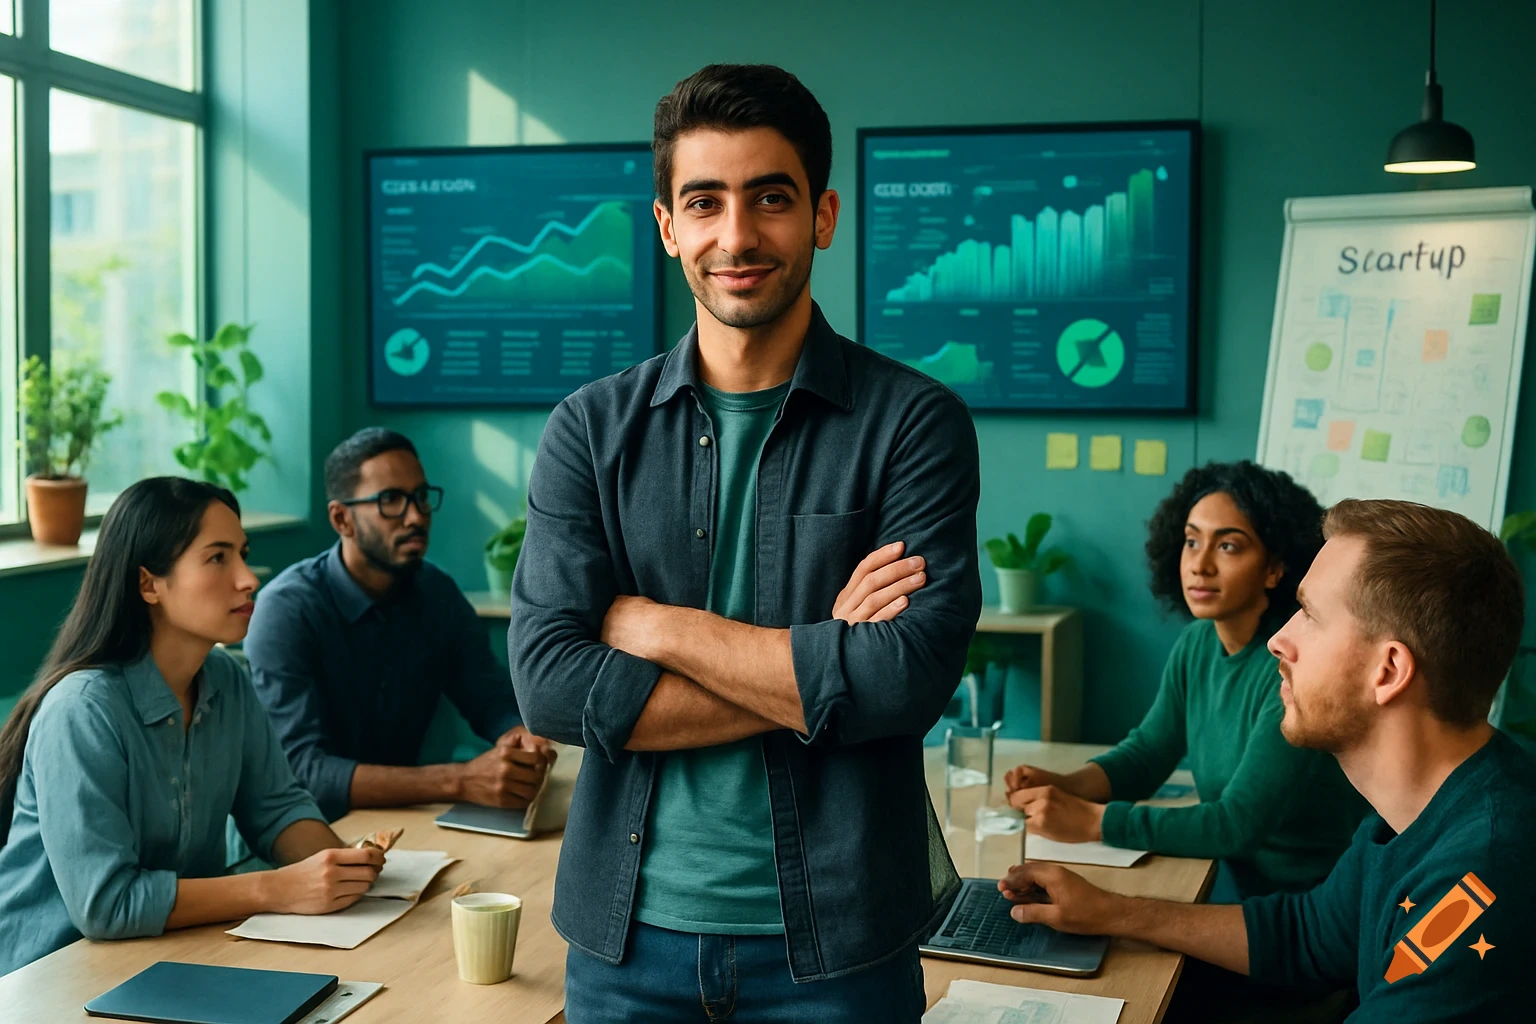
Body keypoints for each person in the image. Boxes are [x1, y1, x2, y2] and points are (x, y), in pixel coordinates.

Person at [508, 64, 981, 1022]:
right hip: (625, 941)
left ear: (823, 215)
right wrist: (819, 669)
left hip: (840, 946)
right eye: (705, 201)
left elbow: (905, 682)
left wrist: (655, 626)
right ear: (667, 225)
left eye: (770, 197)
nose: (737, 235)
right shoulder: (590, 431)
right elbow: (551, 685)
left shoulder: (913, 425)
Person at [998, 499, 1534, 1022]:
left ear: (1388, 671)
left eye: (1311, 616)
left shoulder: (1482, 877)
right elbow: (1307, 936)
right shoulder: (1414, 807)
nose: (1279, 639)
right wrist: (1110, 912)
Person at [0, 478, 383, 977]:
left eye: (242, 553)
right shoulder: (81, 711)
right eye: (218, 557)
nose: (248, 578)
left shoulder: (227, 679)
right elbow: (107, 904)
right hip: (48, 979)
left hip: (170, 959)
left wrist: (344, 868)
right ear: (148, 584)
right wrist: (280, 887)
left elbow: (277, 809)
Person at [1004, 462, 1367, 901]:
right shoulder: (1197, 642)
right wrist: (1066, 786)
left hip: (1306, 908)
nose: (1200, 564)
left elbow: (1236, 825)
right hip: (1237, 886)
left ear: (1274, 568)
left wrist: (1094, 822)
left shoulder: (1290, 668)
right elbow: (1149, 753)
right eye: (1192, 541)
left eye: (1228, 546)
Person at [244, 428, 553, 824]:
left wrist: (520, 736)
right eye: (390, 500)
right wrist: (458, 780)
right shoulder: (286, 611)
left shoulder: (436, 593)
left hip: (401, 824)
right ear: (342, 519)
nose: (416, 516)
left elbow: (488, 697)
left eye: (421, 497)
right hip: (301, 835)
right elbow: (301, 771)